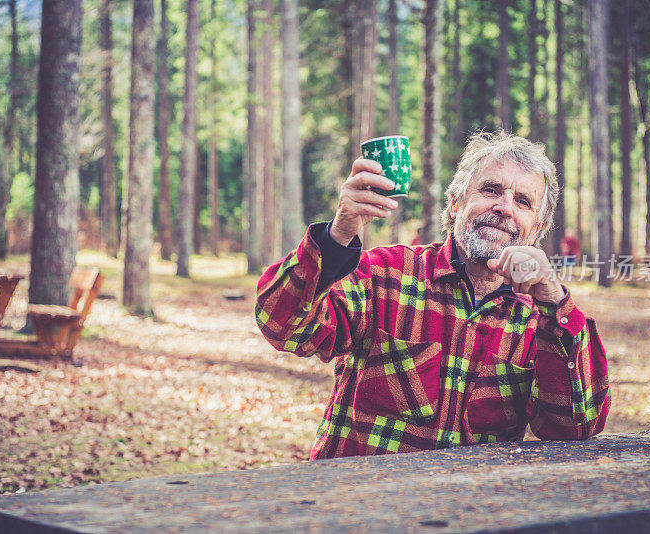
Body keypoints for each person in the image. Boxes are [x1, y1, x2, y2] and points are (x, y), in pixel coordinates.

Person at [255, 131, 610, 460]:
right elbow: (283, 326)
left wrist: (556, 301)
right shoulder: (384, 273)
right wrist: (337, 237)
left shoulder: (542, 319)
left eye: (522, 201)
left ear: (537, 229)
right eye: (490, 190)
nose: (504, 207)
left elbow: (577, 425)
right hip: (359, 509)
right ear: (455, 203)